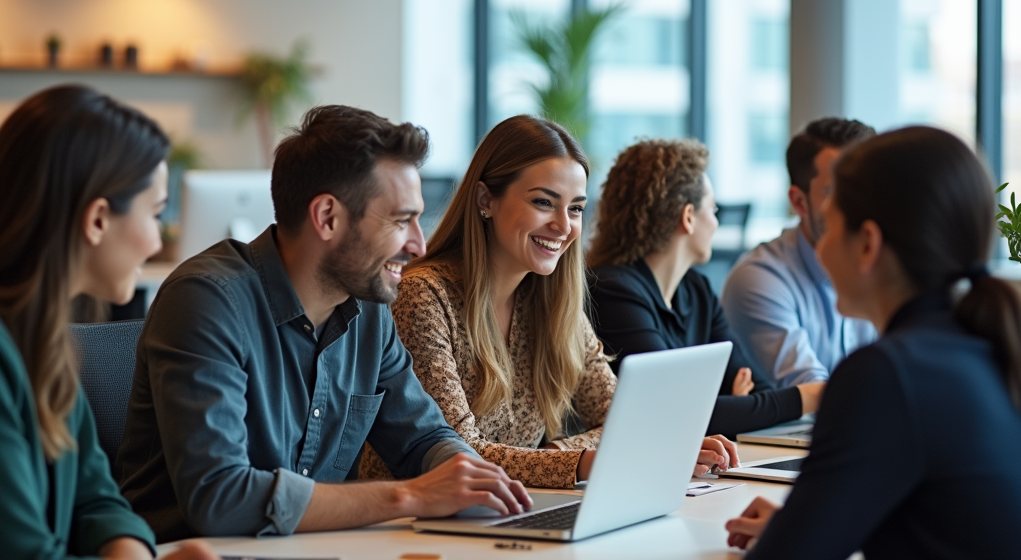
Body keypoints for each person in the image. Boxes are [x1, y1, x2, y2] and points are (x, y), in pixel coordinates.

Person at [116, 105, 531, 543]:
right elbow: (219, 497)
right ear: (328, 217)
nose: (418, 244)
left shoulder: (368, 310)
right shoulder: (206, 301)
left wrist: (476, 481)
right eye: (401, 220)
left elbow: (422, 438)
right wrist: (410, 497)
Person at [360, 116, 739, 488]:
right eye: (544, 202)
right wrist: (585, 460)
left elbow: (626, 421)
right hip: (412, 527)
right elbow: (462, 456)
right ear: (485, 200)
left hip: (514, 509)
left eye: (575, 208)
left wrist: (559, 451)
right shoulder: (423, 297)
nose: (563, 225)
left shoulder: (554, 301)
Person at [724, 126, 1021, 558]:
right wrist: (815, 522)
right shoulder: (985, 342)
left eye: (831, 225)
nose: (821, 248)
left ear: (867, 244)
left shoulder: (885, 373)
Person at [0, 85, 217, 560]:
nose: (157, 241)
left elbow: (96, 497)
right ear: (98, 219)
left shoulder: (43, 346)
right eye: (156, 214)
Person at [587, 139, 824, 439]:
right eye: (712, 209)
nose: (715, 222)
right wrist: (812, 395)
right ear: (687, 217)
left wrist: (726, 410)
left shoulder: (696, 290)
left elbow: (758, 388)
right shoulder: (613, 293)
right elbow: (674, 415)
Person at [721, 117, 877, 387]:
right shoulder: (760, 279)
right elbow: (811, 390)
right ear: (799, 202)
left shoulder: (883, 264)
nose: (860, 206)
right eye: (838, 192)